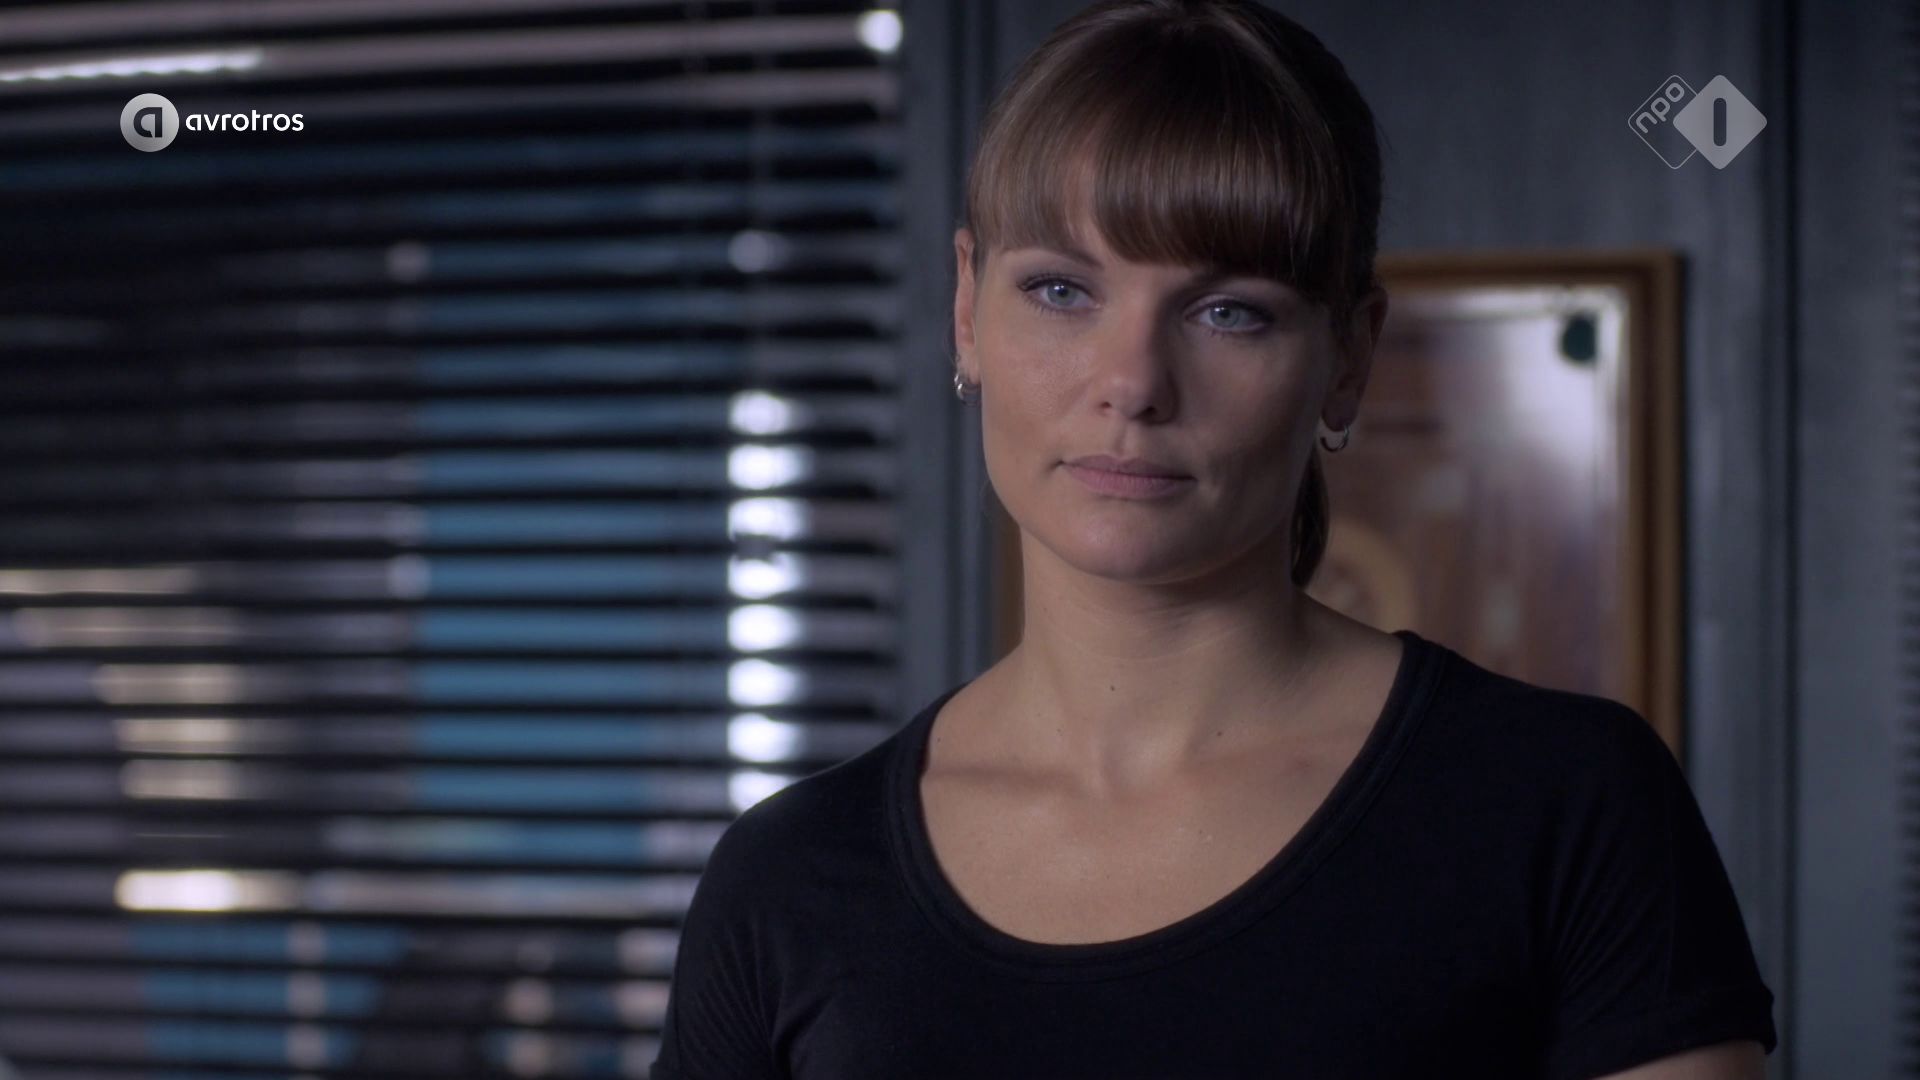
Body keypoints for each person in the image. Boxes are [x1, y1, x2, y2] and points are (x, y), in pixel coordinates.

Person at [648, 1, 1779, 1076]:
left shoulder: (1565, 806)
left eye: (1228, 310)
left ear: (1348, 356)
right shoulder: (786, 882)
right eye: (1060, 291)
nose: (1133, 382)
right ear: (965, 308)